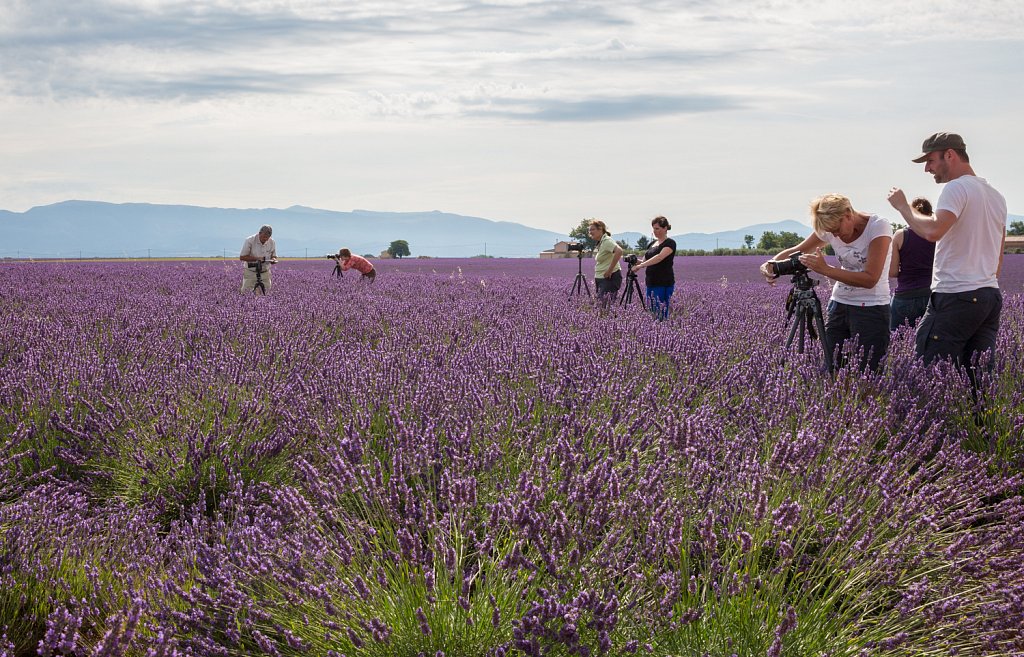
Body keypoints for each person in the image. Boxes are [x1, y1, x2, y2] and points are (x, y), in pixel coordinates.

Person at [887, 132, 1006, 380]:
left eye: (930, 161)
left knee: (930, 371)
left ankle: (932, 419)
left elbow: (933, 231)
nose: (927, 169)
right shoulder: (996, 196)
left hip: (956, 296)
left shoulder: (956, 187)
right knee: (979, 378)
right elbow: (998, 258)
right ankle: (980, 420)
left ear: (949, 155)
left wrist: (902, 207)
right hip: (988, 296)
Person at [759, 194, 893, 373]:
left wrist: (826, 269)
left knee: (868, 372)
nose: (835, 235)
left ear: (847, 214)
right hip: (839, 305)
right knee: (832, 368)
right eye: (830, 232)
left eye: (836, 229)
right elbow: (798, 249)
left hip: (871, 308)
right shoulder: (829, 230)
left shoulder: (878, 226)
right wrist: (771, 264)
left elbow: (870, 279)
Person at [888, 197, 936, 331]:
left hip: (905, 296)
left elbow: (893, 272)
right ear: (930, 215)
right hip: (932, 296)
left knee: (898, 341)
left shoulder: (900, 235)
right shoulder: (938, 236)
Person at [632, 215, 677, 320]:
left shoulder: (670, 243)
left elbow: (659, 258)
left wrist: (641, 265)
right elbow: (644, 261)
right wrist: (634, 261)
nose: (655, 231)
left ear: (665, 228)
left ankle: (662, 330)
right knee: (652, 310)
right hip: (650, 282)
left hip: (663, 282)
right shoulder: (652, 243)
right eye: (653, 228)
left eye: (657, 228)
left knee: (660, 311)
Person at [588, 220, 622, 304]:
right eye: (589, 230)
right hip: (602, 277)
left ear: (600, 229)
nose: (590, 232)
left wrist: (610, 270)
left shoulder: (606, 241)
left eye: (592, 229)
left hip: (609, 278)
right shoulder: (601, 242)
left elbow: (619, 251)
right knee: (601, 304)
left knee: (605, 305)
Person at [239, 225, 277, 293]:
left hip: (265, 273)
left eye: (267, 238)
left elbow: (274, 256)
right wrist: (257, 259)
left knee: (267, 293)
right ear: (259, 233)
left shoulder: (272, 242)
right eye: (263, 237)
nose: (264, 239)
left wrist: (273, 260)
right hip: (251, 272)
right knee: (246, 293)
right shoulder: (250, 240)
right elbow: (242, 257)